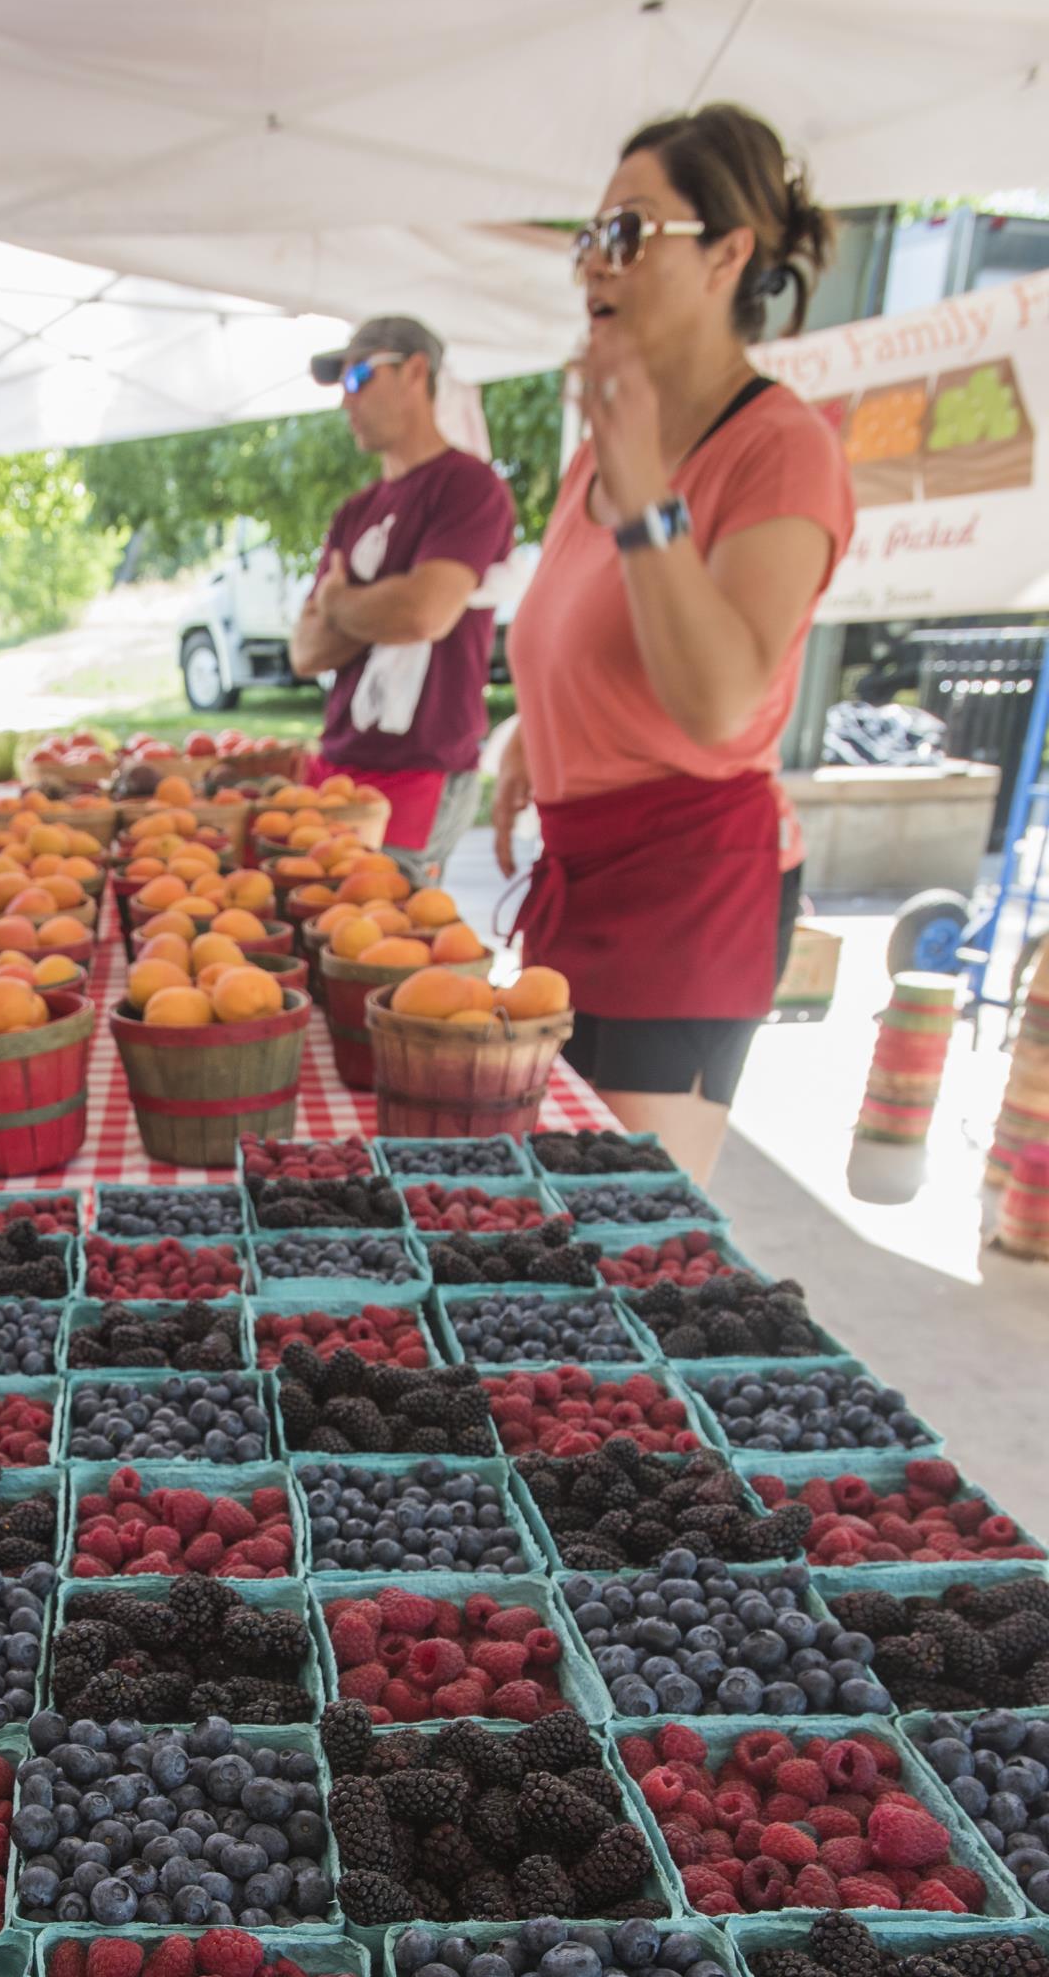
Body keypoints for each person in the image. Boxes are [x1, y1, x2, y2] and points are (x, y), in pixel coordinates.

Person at [495, 104, 854, 1183]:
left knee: (623, 1233)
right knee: (552, 1202)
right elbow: (591, 633)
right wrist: (538, 731)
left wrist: (648, 488)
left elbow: (720, 698)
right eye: (588, 241)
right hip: (583, 868)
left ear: (728, 253)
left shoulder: (779, 450)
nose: (594, 268)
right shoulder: (603, 454)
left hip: (686, 888)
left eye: (629, 234)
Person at [289, 314, 516, 875]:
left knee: (387, 940)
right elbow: (305, 652)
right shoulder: (354, 512)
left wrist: (341, 604)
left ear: (416, 372)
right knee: (327, 928)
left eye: (358, 377)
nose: (347, 401)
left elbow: (422, 613)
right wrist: (383, 609)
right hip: (342, 761)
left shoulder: (468, 486)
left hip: (421, 770)